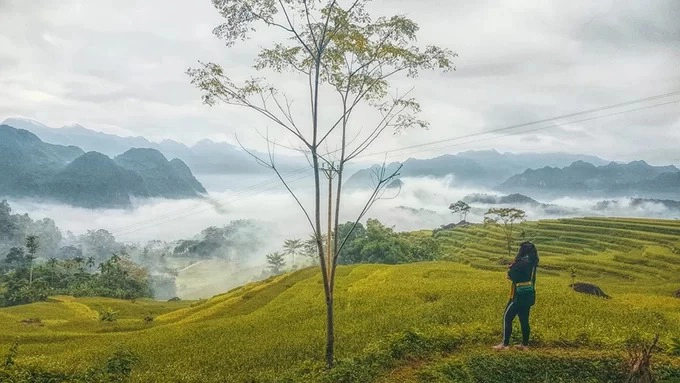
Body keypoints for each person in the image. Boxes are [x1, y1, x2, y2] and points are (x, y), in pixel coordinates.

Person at [493, 241, 539, 351]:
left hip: (518, 296)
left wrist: (511, 268)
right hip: (528, 295)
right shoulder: (532, 262)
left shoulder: (522, 262)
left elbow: (511, 275)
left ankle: (505, 344)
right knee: (524, 320)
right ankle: (525, 345)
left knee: (507, 317)